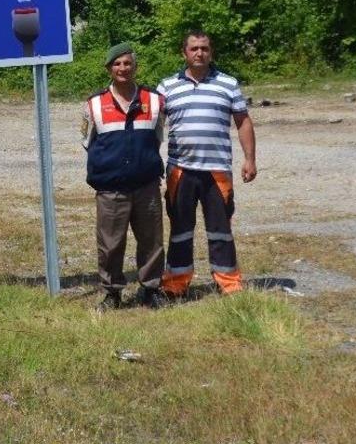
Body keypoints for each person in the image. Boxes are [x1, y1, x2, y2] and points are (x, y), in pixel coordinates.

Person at [155, 30, 256, 298]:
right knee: (180, 230)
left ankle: (229, 282)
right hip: (180, 169)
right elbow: (154, 127)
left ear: (211, 52)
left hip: (217, 170)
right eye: (194, 49)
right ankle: (175, 284)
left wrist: (250, 159)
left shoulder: (228, 84)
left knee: (221, 230)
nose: (199, 53)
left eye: (205, 48)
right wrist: (151, 162)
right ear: (184, 53)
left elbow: (243, 121)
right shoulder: (166, 87)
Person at [82, 42, 167, 310]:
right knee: (110, 244)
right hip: (111, 189)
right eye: (117, 64)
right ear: (109, 69)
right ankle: (112, 293)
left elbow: (159, 136)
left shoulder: (154, 100)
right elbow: (87, 141)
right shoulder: (94, 104)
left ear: (135, 66)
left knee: (152, 241)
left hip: (146, 186)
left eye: (127, 63)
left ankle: (151, 289)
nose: (123, 68)